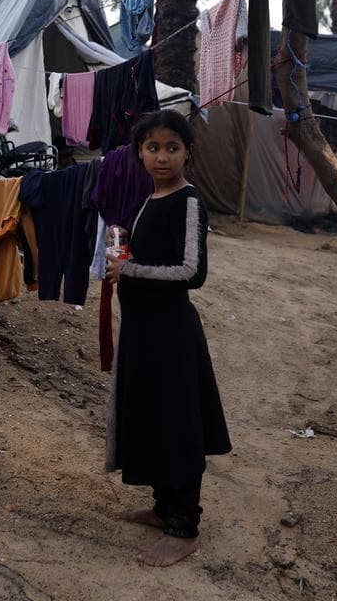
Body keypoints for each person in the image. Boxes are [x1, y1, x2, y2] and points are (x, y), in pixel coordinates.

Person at [104, 110, 232, 566]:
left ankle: (185, 526)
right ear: (139, 153)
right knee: (153, 419)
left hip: (172, 335)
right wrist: (123, 257)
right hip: (143, 331)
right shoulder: (149, 198)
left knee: (178, 426)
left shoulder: (189, 200)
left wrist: (129, 269)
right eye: (153, 148)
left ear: (187, 153)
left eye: (172, 148)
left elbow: (192, 272)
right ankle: (163, 508)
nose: (162, 157)